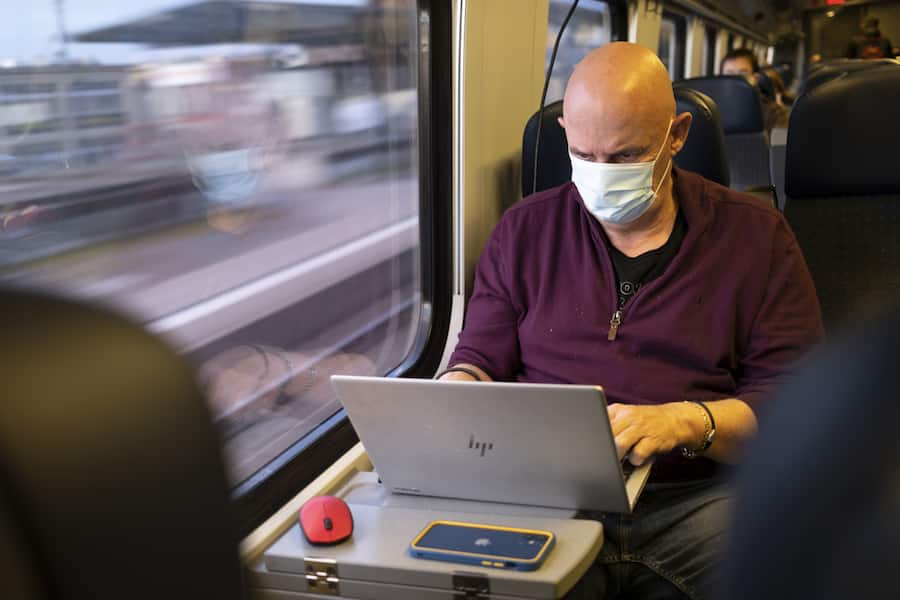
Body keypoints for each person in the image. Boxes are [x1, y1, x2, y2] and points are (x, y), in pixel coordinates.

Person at [440, 42, 824, 599]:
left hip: (698, 498)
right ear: (566, 132)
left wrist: (687, 421)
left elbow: (793, 404)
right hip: (549, 500)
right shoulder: (523, 232)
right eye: (583, 155)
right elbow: (479, 358)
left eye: (623, 157)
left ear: (677, 135)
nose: (599, 175)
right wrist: (455, 392)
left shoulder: (756, 237)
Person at [720, 47, 788, 132]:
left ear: (756, 78)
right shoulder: (710, 111)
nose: (735, 80)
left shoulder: (775, 113)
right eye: (729, 74)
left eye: (743, 74)